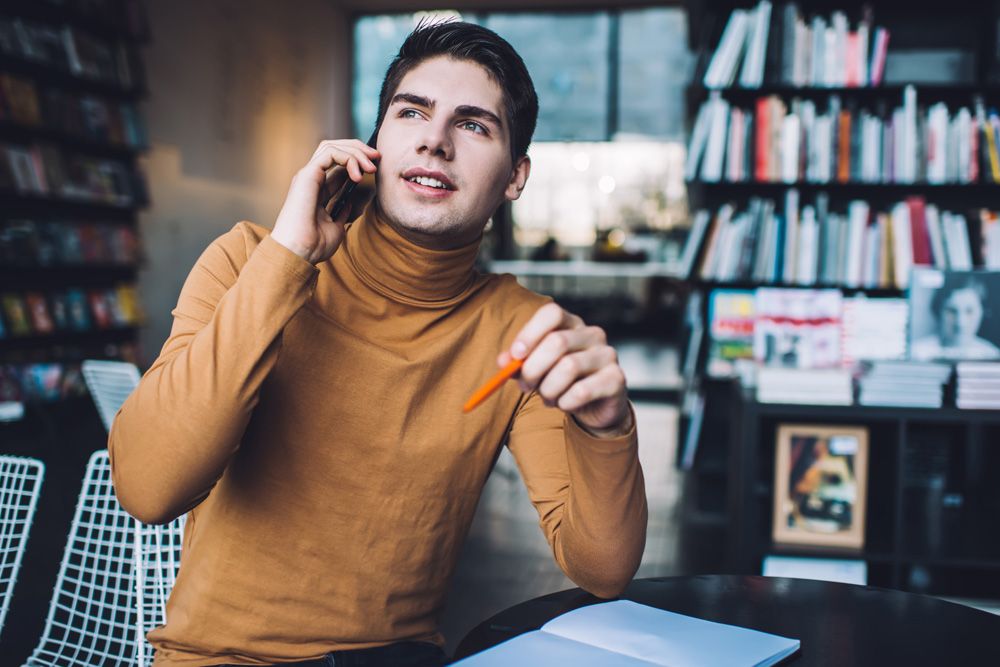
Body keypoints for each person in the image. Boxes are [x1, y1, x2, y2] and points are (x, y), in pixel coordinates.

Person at [109, 20, 647, 667]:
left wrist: (606, 426)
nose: (435, 140)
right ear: (374, 143)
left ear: (515, 177)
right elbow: (147, 487)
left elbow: (603, 569)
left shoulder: (522, 331)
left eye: (474, 125)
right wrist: (288, 260)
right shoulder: (248, 259)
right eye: (411, 112)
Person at [911, 274, 1000, 361]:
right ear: (939, 311)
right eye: (952, 311)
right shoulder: (917, 353)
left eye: (969, 311)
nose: (960, 322)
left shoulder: (992, 355)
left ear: (982, 312)